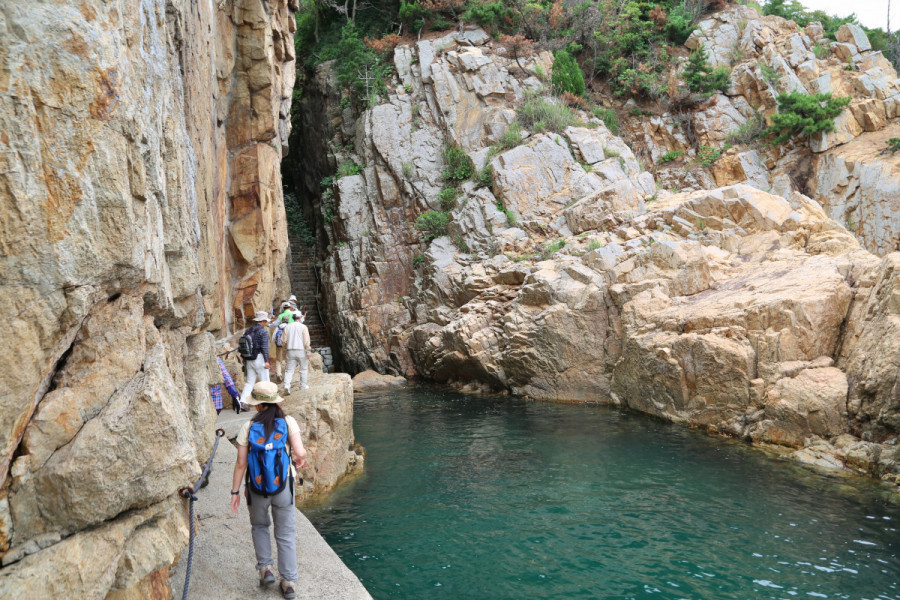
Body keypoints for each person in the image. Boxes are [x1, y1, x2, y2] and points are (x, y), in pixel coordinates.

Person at [231, 381, 308, 600]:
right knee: (285, 533)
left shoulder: (249, 426)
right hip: (283, 485)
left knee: (259, 526)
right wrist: (298, 459)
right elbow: (300, 451)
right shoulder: (288, 421)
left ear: (257, 404)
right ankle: (288, 582)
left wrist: (235, 492)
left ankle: (265, 570)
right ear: (275, 401)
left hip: (256, 487)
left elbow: (240, 463)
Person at [239, 311, 271, 406]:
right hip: (259, 358)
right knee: (265, 381)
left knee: (249, 383)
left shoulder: (248, 330)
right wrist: (266, 361)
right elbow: (264, 347)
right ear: (264, 321)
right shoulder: (263, 332)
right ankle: (267, 403)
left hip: (249, 359)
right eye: (266, 321)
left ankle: (243, 402)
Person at [283, 310, 312, 394]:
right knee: (303, 369)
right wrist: (308, 351)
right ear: (300, 318)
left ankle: (286, 386)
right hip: (301, 350)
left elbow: (284, 341)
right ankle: (303, 386)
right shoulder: (303, 327)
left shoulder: (287, 327)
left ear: (292, 318)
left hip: (290, 350)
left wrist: (285, 351)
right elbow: (306, 341)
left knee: (289, 370)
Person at [269, 302, 295, 382]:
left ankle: (279, 374)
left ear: (283, 308)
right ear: (290, 307)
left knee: (278, 359)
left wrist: (268, 325)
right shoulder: (293, 315)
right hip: (288, 342)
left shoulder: (280, 317)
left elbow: (274, 326)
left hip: (279, 342)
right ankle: (287, 374)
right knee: (288, 358)